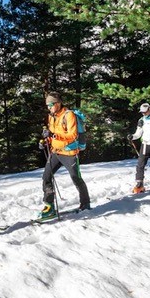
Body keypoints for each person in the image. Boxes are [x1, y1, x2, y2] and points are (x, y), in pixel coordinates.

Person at [39, 91, 91, 219]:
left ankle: (85, 203)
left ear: (58, 103)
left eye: (51, 104)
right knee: (46, 177)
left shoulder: (69, 115)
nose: (49, 107)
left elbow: (72, 136)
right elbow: (52, 134)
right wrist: (45, 141)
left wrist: (53, 136)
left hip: (69, 153)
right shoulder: (51, 116)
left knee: (76, 178)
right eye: (47, 105)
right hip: (56, 152)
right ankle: (49, 206)